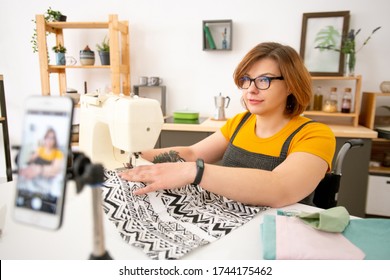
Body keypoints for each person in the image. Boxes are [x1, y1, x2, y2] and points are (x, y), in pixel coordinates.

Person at [119, 42, 336, 208]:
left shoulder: (315, 134)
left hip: (279, 232)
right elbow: (193, 153)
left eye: (264, 80)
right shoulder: (240, 122)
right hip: (230, 218)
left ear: (290, 85)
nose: (250, 89)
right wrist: (132, 154)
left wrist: (194, 172)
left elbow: (281, 187)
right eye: (246, 79)